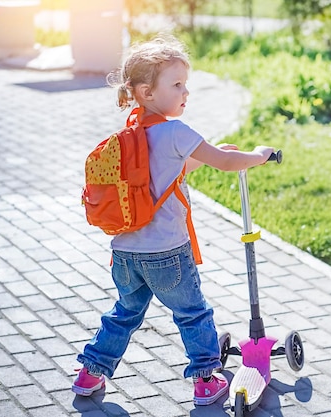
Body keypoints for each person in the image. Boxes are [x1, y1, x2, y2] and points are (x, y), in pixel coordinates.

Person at [72, 35, 274, 406]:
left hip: (126, 254)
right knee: (194, 314)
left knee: (124, 314)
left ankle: (90, 373)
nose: (186, 92)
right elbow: (227, 163)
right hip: (167, 253)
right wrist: (258, 155)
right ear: (147, 92)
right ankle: (205, 382)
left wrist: (216, 154)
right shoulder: (176, 131)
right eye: (177, 84)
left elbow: (170, 174)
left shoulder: (132, 135)